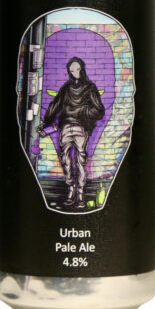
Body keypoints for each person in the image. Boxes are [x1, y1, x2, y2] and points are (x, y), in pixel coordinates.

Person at [40, 57, 105, 208]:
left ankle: (80, 193)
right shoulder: (66, 88)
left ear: (82, 69)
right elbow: (55, 104)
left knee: (80, 161)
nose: (75, 72)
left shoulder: (90, 88)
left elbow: (99, 110)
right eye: (72, 70)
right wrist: (47, 121)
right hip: (65, 127)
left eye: (78, 69)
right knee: (66, 160)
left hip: (81, 128)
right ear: (69, 72)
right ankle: (71, 189)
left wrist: (84, 112)